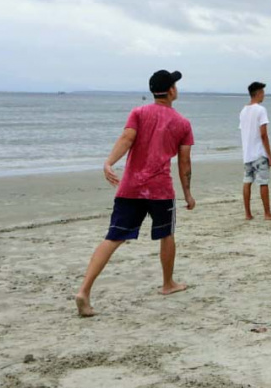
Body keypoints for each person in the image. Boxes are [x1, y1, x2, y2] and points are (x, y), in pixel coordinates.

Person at [75, 70, 196, 317]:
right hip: (160, 191)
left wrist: (109, 163)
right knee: (167, 234)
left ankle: (84, 291)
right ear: (171, 90)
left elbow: (127, 138)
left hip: (130, 187)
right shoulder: (182, 123)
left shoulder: (138, 113)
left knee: (113, 238)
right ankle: (167, 284)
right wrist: (188, 193)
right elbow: (185, 163)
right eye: (175, 85)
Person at [239, 82, 271, 221]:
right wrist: (269, 155)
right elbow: (263, 134)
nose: (264, 95)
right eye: (262, 92)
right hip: (258, 153)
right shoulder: (261, 110)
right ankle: (267, 213)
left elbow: (244, 131)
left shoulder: (243, 111)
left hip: (247, 154)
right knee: (263, 182)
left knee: (247, 181)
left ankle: (247, 214)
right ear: (258, 93)